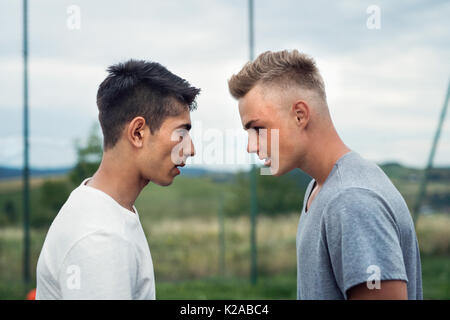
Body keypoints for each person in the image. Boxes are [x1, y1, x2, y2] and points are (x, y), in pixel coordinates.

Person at [228, 49, 422, 300]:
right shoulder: (320, 188)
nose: (251, 146)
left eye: (258, 128)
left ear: (300, 115)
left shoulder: (351, 200)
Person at [36, 59, 200, 299]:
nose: (190, 149)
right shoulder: (100, 239)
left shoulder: (107, 212)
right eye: (181, 133)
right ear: (137, 133)